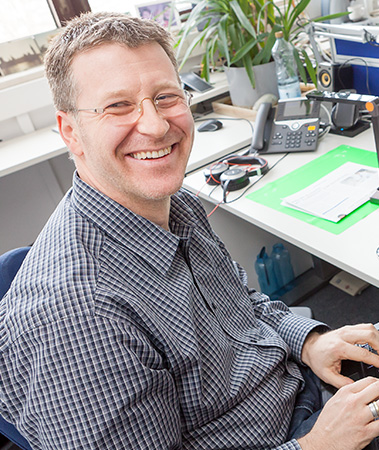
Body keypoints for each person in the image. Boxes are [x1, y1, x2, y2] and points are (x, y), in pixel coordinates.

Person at [1, 11, 379, 450]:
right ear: (70, 129)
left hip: (296, 389)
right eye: (118, 105)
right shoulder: (78, 318)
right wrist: (317, 446)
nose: (156, 126)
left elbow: (237, 304)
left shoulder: (169, 202)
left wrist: (309, 341)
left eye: (165, 97)